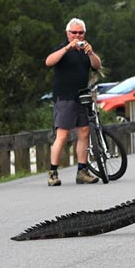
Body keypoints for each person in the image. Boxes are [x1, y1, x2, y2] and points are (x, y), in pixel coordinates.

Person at [45, 18, 102, 186]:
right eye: (74, 33)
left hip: (82, 96)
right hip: (64, 96)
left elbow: (97, 66)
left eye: (80, 33)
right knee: (62, 134)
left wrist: (91, 53)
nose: (77, 35)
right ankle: (53, 172)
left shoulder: (85, 51)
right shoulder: (62, 49)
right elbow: (49, 62)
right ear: (68, 33)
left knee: (84, 132)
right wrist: (67, 48)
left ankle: (82, 171)